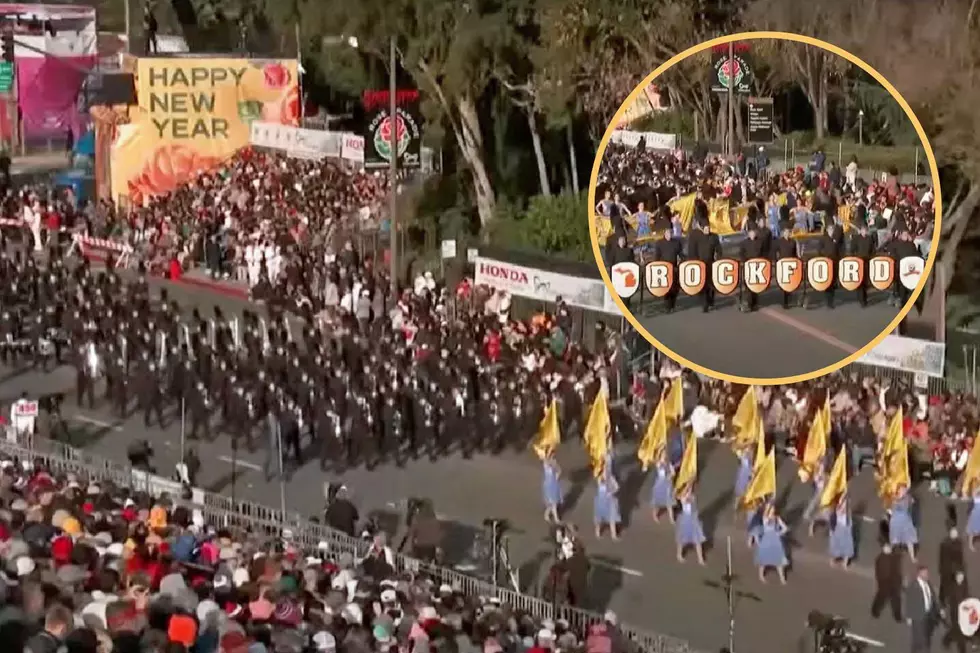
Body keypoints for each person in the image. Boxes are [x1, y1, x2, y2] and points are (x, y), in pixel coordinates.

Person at [905, 564, 939, 653]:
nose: (927, 575)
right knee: (922, 639)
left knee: (919, 639)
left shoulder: (927, 583)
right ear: (919, 574)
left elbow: (932, 596)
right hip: (918, 616)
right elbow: (909, 601)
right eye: (925, 573)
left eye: (927, 573)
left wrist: (939, 608)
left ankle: (915, 649)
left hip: (928, 615)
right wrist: (909, 617)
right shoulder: (913, 586)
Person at [755, 503, 788, 584]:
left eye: (774, 510)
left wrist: (779, 533)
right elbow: (766, 525)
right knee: (764, 561)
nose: (773, 511)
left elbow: (785, 528)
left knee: (779, 561)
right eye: (771, 510)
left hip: (775, 541)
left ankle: (782, 578)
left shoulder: (777, 518)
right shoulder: (765, 518)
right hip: (767, 540)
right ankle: (761, 575)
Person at [871, 543, 903, 622]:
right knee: (882, 597)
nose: (888, 549)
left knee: (896, 599)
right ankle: (875, 611)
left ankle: (897, 615)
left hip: (893, 580)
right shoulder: (880, 558)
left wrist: (899, 580)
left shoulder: (894, 557)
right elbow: (879, 572)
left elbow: (897, 569)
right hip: (885, 582)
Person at [674, 486, 706, 564]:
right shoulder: (683, 497)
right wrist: (687, 486)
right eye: (688, 490)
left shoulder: (693, 497)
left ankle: (700, 559)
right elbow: (685, 500)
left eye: (690, 490)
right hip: (685, 520)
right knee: (682, 538)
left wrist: (690, 487)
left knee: (697, 540)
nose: (690, 491)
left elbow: (693, 503)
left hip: (693, 519)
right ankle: (679, 554)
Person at [593, 453, 621, 540]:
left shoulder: (611, 478)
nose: (606, 469)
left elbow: (617, 487)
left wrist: (612, 492)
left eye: (607, 467)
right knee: (600, 518)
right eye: (605, 467)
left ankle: (614, 535)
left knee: (612, 517)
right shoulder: (599, 477)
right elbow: (601, 486)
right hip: (601, 500)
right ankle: (598, 532)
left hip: (610, 500)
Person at [889, 484, 919, 561]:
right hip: (897, 521)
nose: (904, 491)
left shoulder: (907, 497)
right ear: (899, 490)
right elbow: (892, 509)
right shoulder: (895, 499)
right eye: (902, 490)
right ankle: (890, 553)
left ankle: (912, 557)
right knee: (895, 540)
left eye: (904, 490)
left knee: (909, 540)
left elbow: (912, 501)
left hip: (905, 521)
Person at [828, 495, 854, 568]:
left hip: (845, 526)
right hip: (839, 526)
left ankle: (844, 563)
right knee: (837, 544)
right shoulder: (837, 507)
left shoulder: (845, 507)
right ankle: (834, 560)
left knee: (847, 544)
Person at [649, 457, 674, 523]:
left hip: (667, 484)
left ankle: (671, 518)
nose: (664, 457)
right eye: (663, 456)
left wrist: (670, 475)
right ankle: (655, 515)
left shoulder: (669, 464)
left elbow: (673, 472)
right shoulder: (658, 463)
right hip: (660, 484)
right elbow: (654, 462)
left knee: (669, 502)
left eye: (665, 456)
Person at [542, 453, 562, 524]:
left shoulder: (554, 461)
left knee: (553, 502)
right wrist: (554, 464)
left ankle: (546, 515)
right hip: (548, 484)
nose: (552, 455)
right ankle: (556, 518)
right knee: (553, 503)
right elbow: (550, 464)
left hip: (554, 484)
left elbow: (559, 470)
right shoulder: (546, 461)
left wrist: (557, 475)